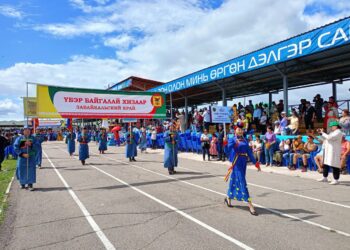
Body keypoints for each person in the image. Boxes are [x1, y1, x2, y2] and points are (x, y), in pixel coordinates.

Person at [224, 125, 261, 216]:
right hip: (236, 162)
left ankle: (228, 197)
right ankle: (250, 205)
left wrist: (256, 163)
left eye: (241, 129)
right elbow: (227, 150)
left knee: (234, 180)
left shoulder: (245, 140)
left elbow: (249, 153)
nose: (240, 131)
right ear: (235, 131)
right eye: (238, 129)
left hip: (243, 163)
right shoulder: (232, 139)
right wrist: (226, 142)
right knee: (242, 182)